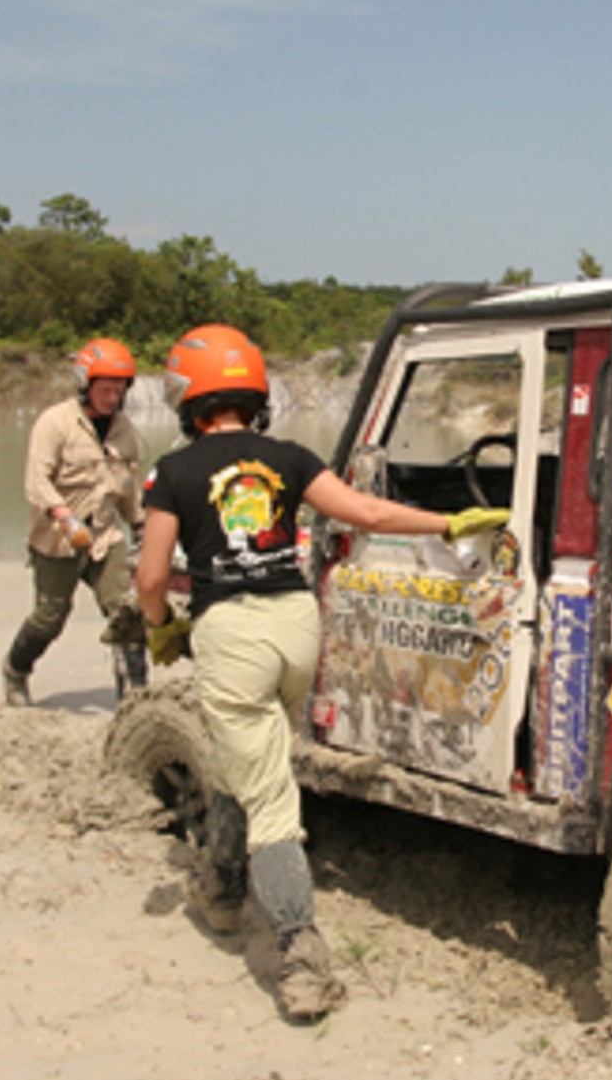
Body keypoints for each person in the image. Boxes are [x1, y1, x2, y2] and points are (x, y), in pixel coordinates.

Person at [133, 323, 507, 1022]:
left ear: (187, 399)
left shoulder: (171, 473)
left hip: (233, 633)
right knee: (252, 753)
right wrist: (449, 525)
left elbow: (153, 575)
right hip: (296, 627)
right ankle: (219, 885)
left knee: (270, 793)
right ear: (253, 393)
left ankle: (301, 956)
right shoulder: (291, 456)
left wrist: (161, 629)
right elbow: (365, 512)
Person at [2, 337, 152, 708]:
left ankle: (135, 693)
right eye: (106, 388)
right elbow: (36, 481)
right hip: (58, 539)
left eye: (119, 389)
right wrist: (64, 516)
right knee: (50, 616)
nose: (112, 396)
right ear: (86, 384)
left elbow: (127, 484)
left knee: (126, 611)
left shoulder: (123, 429)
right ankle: (15, 671)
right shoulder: (55, 423)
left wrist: (141, 524)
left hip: (104, 535)